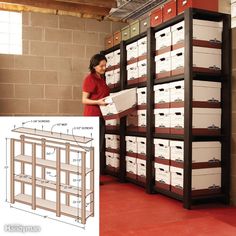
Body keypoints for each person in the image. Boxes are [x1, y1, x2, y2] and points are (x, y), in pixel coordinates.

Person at [82, 54, 110, 185]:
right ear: (94, 66)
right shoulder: (90, 79)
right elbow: (84, 100)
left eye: (105, 65)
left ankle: (93, 178)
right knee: (92, 148)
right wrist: (98, 102)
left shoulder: (101, 79)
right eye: (101, 66)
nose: (104, 67)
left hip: (101, 116)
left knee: (98, 148)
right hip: (92, 117)